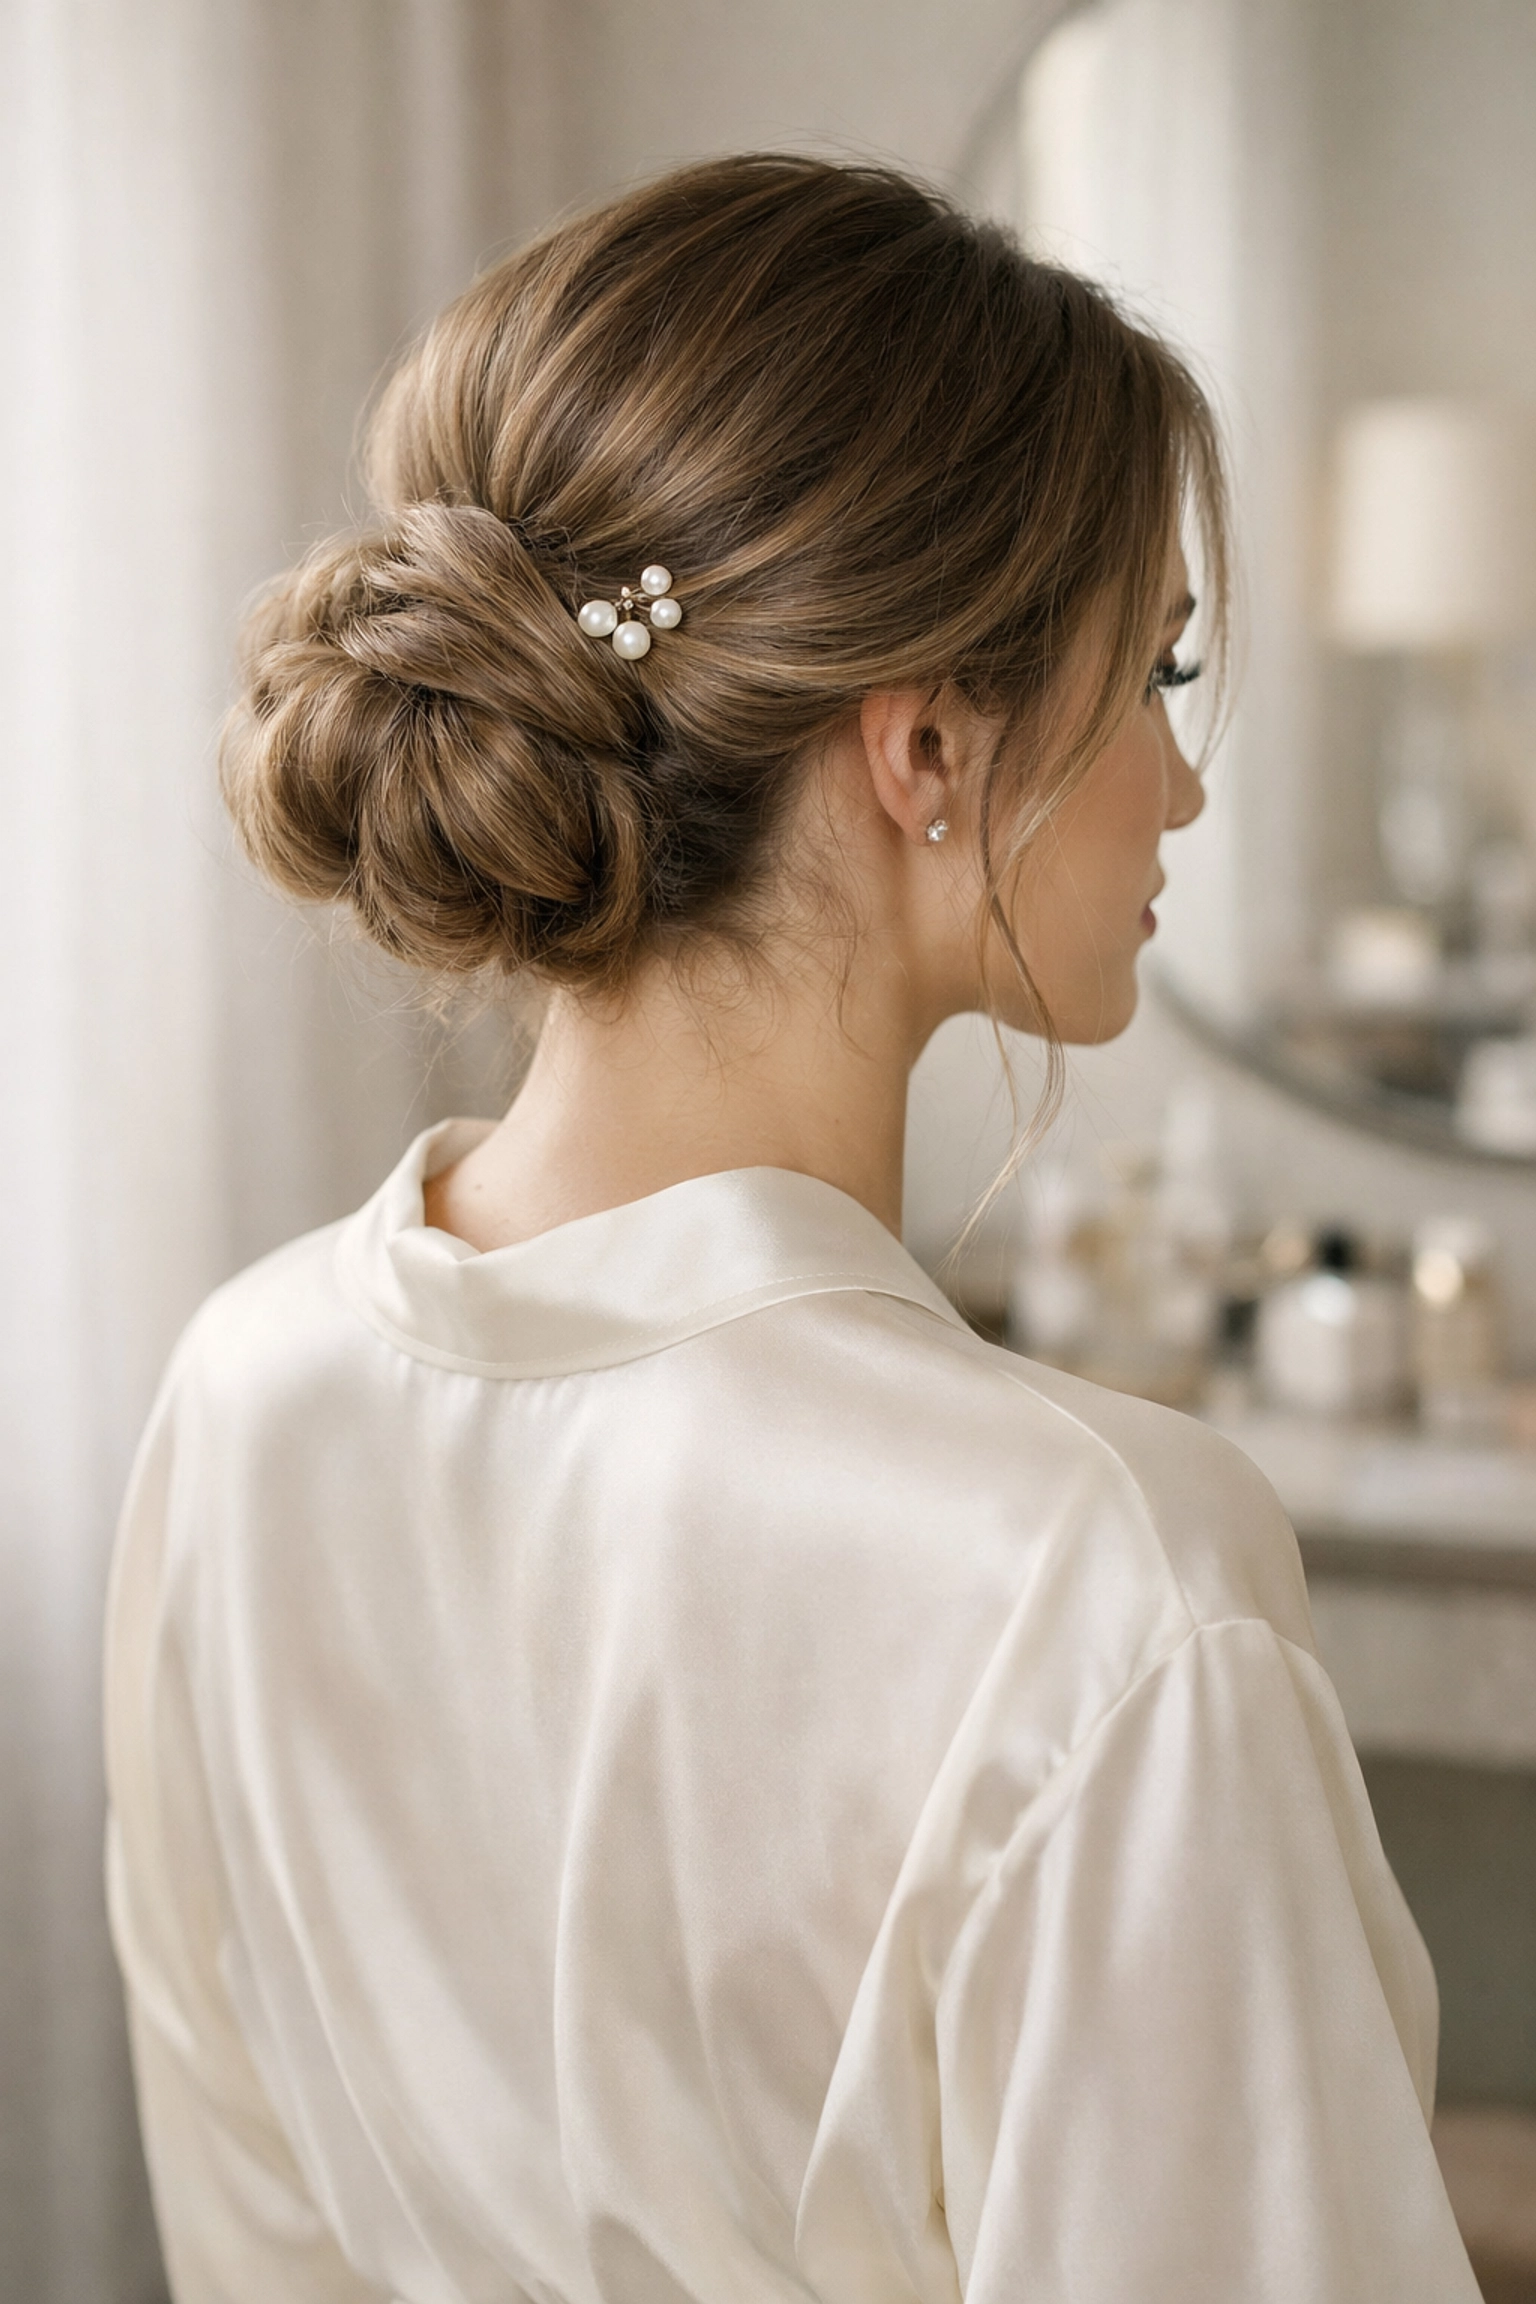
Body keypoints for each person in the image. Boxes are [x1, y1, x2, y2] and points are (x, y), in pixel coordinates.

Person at [104, 156, 1479, 2302]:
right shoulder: (1100, 1581)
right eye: (1158, 673)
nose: (1182, 788)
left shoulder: (240, 1391)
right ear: (926, 745)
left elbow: (249, 2241)